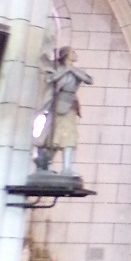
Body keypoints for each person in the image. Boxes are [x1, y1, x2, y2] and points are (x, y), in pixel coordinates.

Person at [36, 46, 93, 174]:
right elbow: (50, 79)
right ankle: (44, 165)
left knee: (70, 136)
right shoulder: (57, 69)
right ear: (66, 55)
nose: (75, 54)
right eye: (73, 52)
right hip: (57, 105)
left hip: (70, 105)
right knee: (53, 136)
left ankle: (67, 168)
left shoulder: (77, 71)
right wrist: (65, 70)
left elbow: (88, 80)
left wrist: (71, 69)